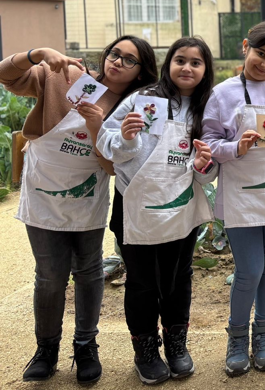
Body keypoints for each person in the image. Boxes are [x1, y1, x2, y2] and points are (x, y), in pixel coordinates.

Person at [1, 36, 157, 384]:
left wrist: (95, 126)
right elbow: (6, 77)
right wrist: (36, 54)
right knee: (50, 275)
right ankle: (47, 348)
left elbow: (114, 167)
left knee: (88, 271)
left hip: (87, 199)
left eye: (129, 60)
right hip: (44, 191)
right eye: (115, 53)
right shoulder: (66, 78)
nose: (117, 62)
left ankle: (86, 345)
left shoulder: (133, 108)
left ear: (140, 73)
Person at [97, 37, 216, 385]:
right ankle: (145, 350)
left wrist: (204, 164)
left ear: (205, 70)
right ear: (168, 65)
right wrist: (126, 137)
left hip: (180, 209)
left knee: (178, 278)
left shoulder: (205, 109)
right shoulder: (143, 99)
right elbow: (106, 142)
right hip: (135, 207)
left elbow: (207, 171)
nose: (187, 68)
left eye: (196, 62)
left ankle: (177, 346)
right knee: (142, 283)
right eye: (180, 60)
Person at [201, 22, 265, 376]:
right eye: (261, 54)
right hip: (242, 193)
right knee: (249, 270)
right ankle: (236, 338)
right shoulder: (222, 94)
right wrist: (236, 147)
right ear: (246, 46)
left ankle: (264, 336)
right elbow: (210, 141)